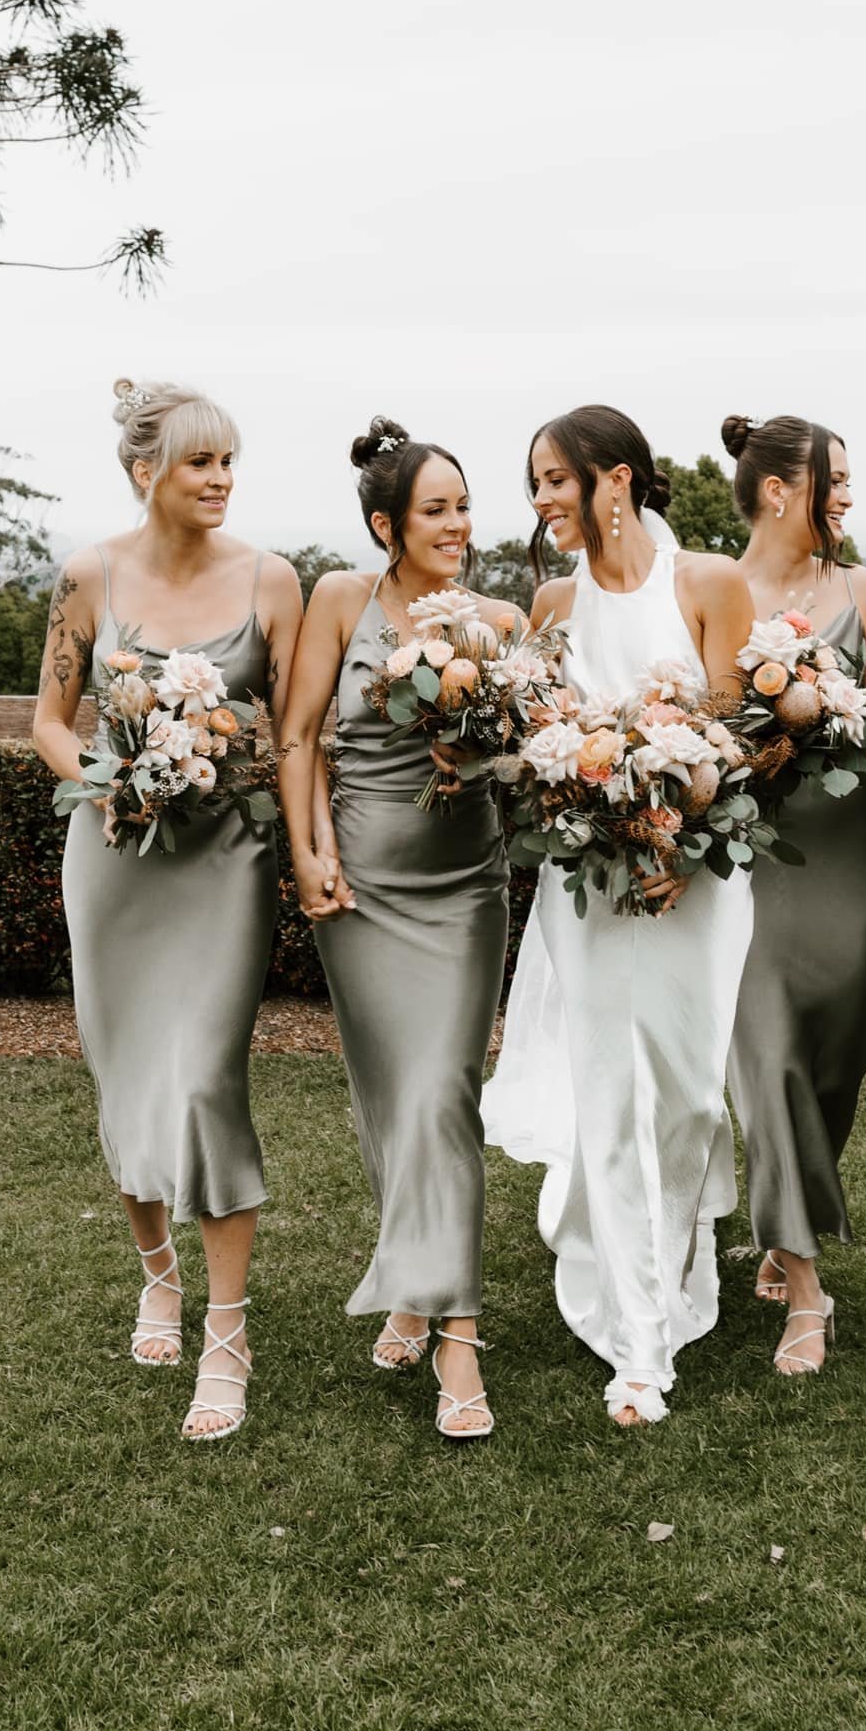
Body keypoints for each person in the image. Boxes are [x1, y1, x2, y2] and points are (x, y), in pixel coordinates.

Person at [33, 378, 303, 1441]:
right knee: (131, 1074)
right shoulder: (86, 575)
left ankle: (227, 1338)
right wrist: (110, 775)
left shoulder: (272, 579)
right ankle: (159, 1273)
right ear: (147, 470)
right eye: (201, 461)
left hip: (227, 861)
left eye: (230, 459)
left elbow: (291, 734)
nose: (222, 479)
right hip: (114, 860)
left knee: (203, 1079)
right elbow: (53, 720)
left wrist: (309, 850)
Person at [481, 405, 756, 1428]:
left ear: (618, 478)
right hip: (587, 886)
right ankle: (637, 1345)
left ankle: (675, 1264)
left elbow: (740, 741)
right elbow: (542, 743)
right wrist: (582, 798)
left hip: (699, 883)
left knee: (685, 1094)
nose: (544, 498)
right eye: (535, 482)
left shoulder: (709, 583)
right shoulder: (553, 600)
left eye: (555, 477)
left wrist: (678, 836)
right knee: (608, 1086)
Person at [278, 416, 514, 1440]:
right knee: (388, 1101)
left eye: (463, 504)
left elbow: (524, 750)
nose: (457, 523)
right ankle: (415, 1287)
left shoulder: (495, 618)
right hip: (363, 891)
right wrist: (308, 851)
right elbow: (296, 737)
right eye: (436, 509)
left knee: (440, 1093)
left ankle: (457, 1331)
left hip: (467, 887)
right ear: (386, 523)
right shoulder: (340, 597)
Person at [721, 413, 866, 1376]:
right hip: (750, 853)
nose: (846, 495)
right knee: (766, 1058)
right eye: (832, 479)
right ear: (778, 489)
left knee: (835, 1056)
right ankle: (807, 1288)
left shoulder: (863, 589)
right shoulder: (715, 590)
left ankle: (788, 1216)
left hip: (846, 851)